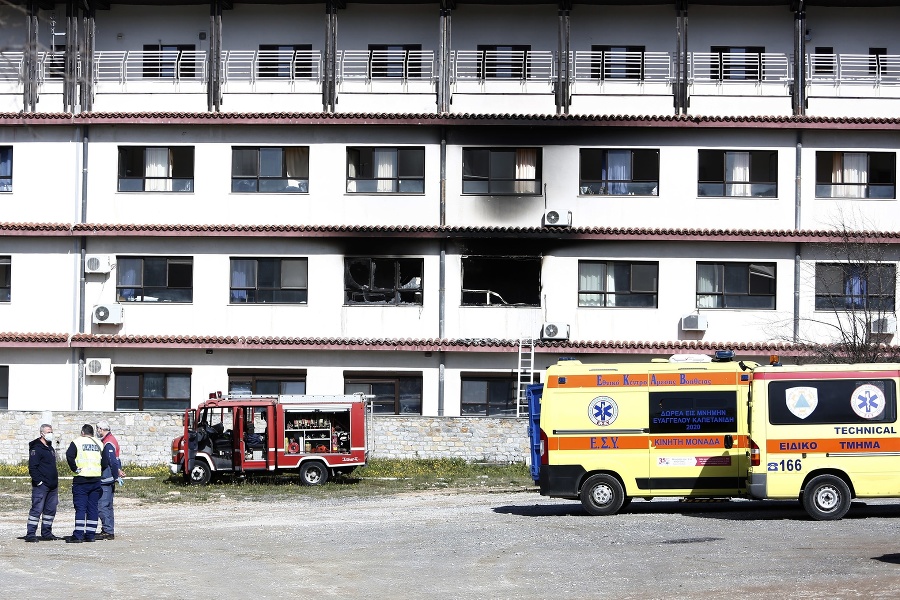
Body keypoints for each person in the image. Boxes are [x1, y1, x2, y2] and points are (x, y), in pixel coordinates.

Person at [65, 424, 109, 543]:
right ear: (92, 433)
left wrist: (74, 468)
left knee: (80, 508)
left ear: (82, 432)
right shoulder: (100, 443)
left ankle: (78, 535)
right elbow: (105, 461)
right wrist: (98, 470)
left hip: (81, 479)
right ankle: (90, 535)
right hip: (95, 479)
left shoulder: (77, 442)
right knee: (92, 508)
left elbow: (69, 456)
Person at [24, 424, 62, 542]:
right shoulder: (36, 448)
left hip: (52, 485)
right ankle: (30, 534)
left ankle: (47, 533)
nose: (50, 433)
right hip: (42, 486)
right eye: (48, 432)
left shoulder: (50, 447)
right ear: (42, 433)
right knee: (37, 509)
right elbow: (32, 468)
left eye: (51, 431)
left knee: (50, 511)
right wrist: (39, 482)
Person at [96, 420, 125, 541]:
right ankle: (108, 529)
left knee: (102, 506)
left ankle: (107, 531)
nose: (97, 431)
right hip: (110, 478)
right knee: (108, 506)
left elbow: (112, 460)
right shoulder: (111, 440)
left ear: (101, 429)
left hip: (106, 478)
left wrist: (116, 474)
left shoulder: (108, 443)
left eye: (97, 429)